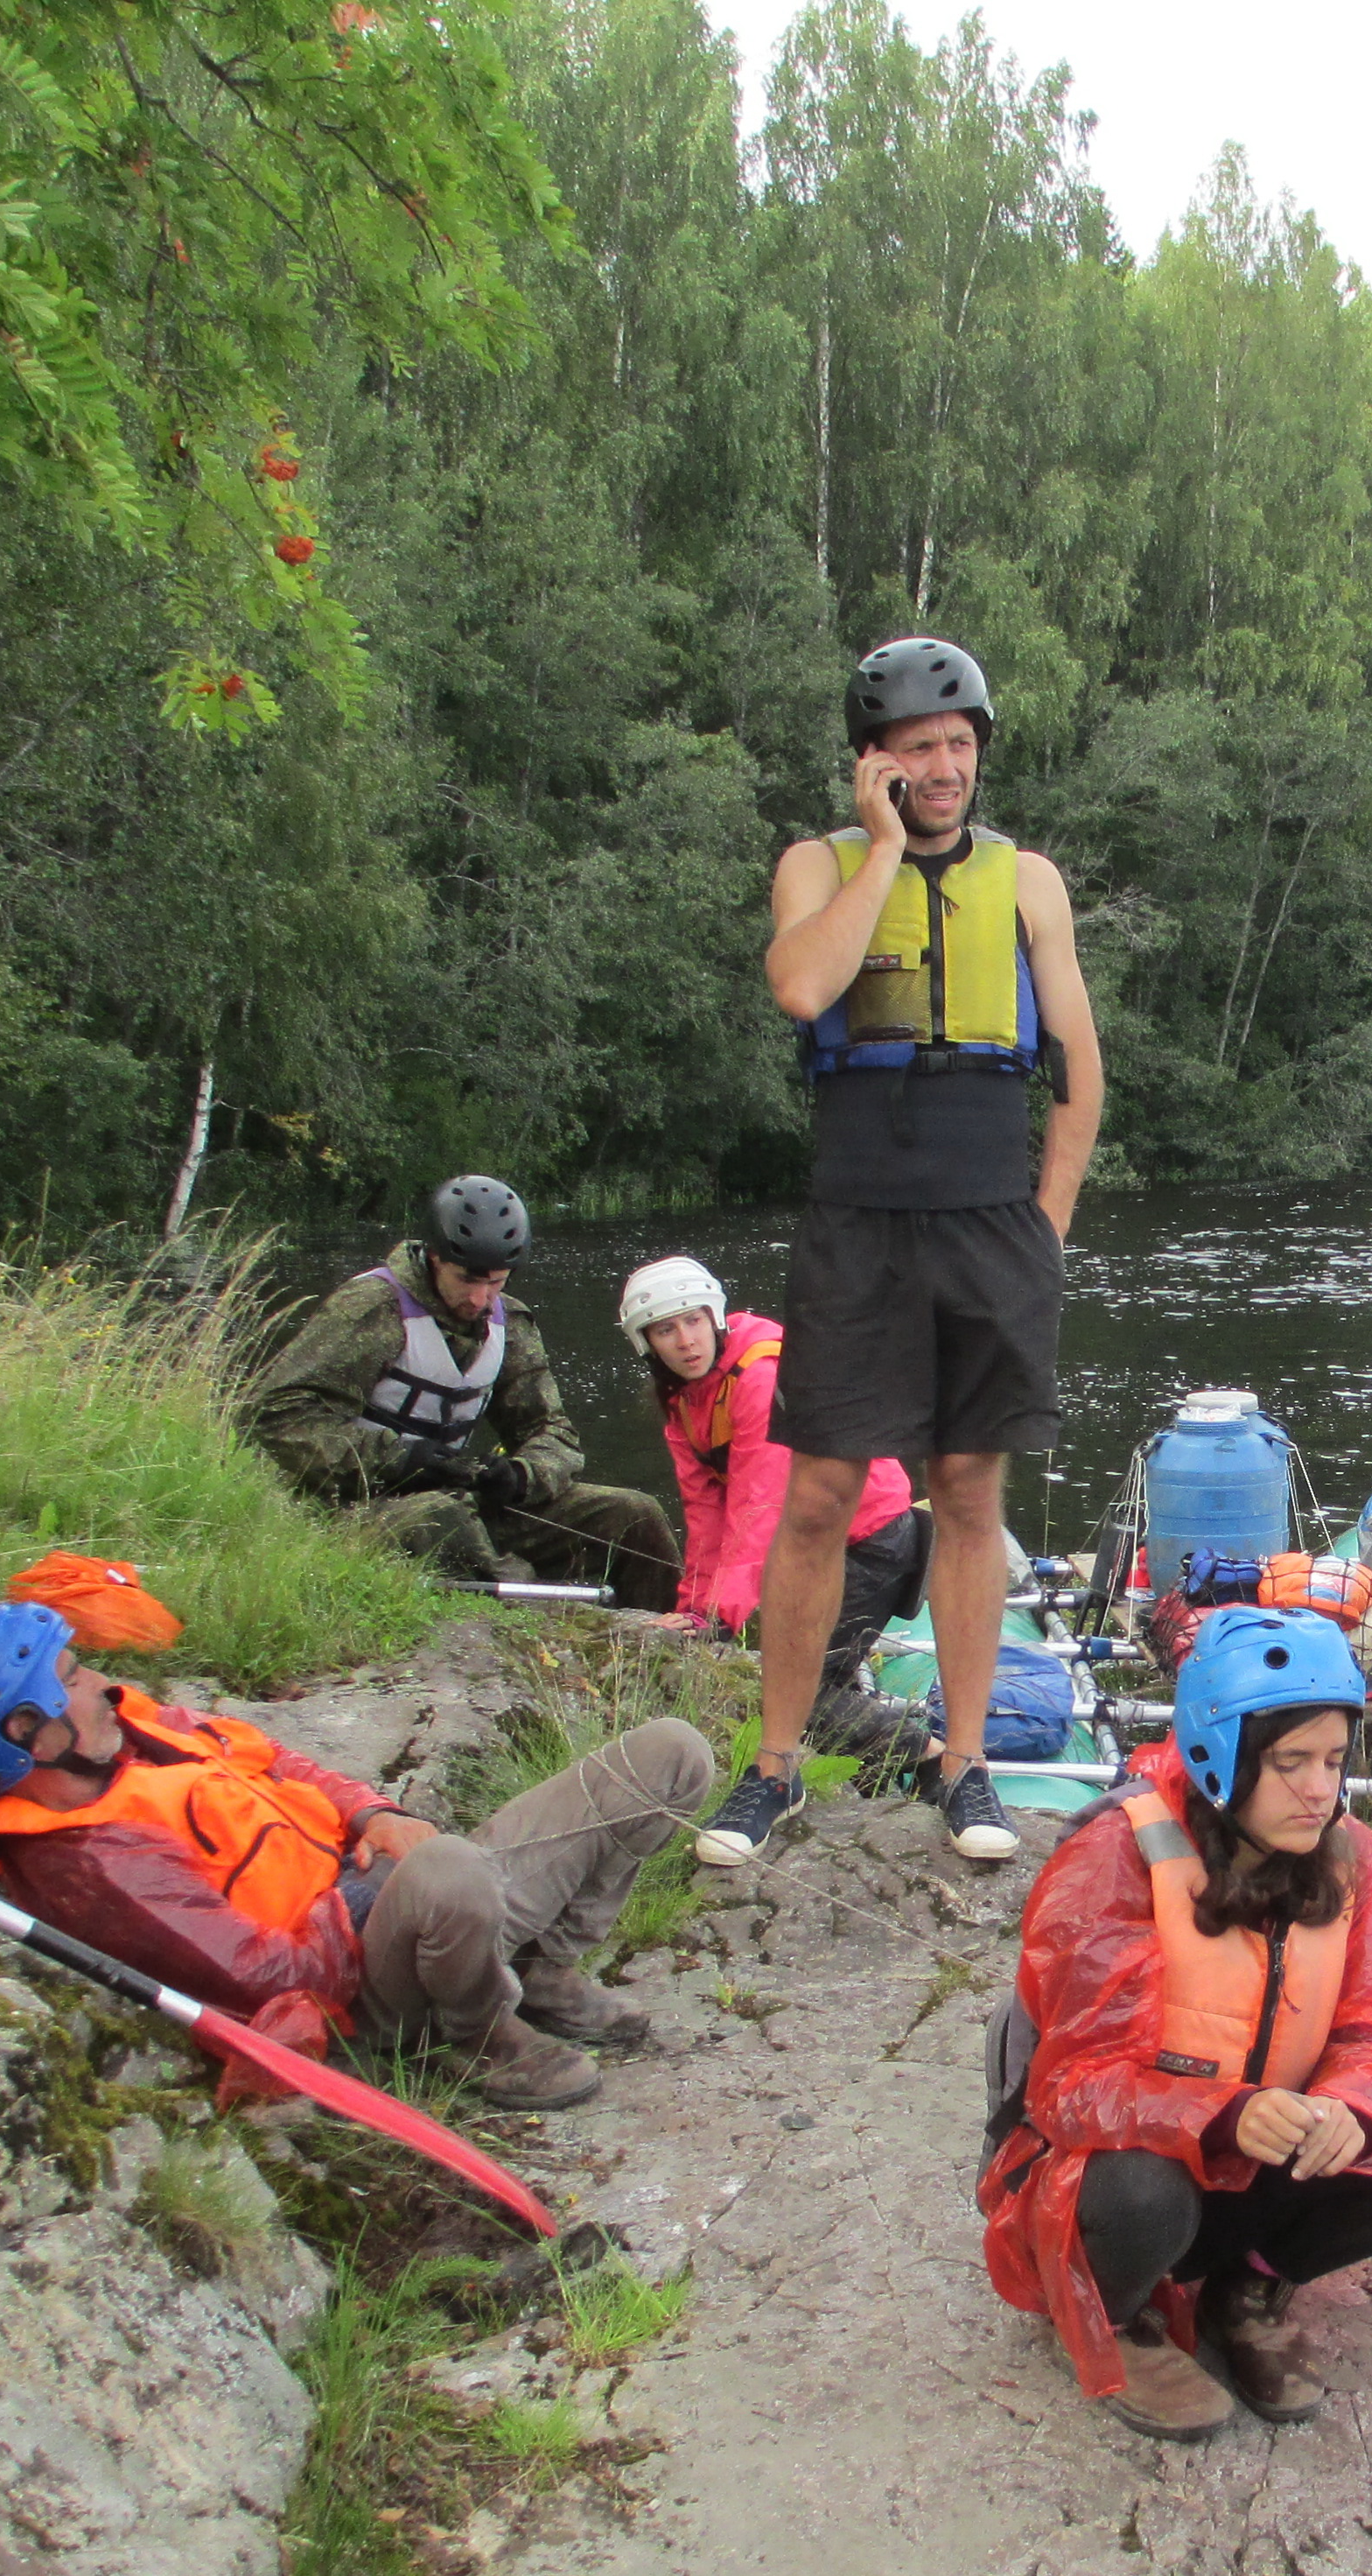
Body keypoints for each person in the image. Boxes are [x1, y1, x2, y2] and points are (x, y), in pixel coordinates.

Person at [711, 636, 1103, 1871]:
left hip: (991, 1222)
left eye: (960, 746)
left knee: (971, 1494)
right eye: (919, 750)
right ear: (875, 762)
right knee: (821, 1495)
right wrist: (881, 850)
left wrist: (1046, 1228)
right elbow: (799, 986)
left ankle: (965, 1762)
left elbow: (1080, 1076)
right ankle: (771, 1768)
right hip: (860, 1223)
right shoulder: (817, 865)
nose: (945, 769)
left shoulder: (1028, 882)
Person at [976, 1608, 1372, 2442]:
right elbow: (1073, 2091)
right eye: (1289, 1762)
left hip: (1251, 2168)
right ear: (1219, 1754)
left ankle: (1248, 2284)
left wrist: (1348, 2104)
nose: (1318, 1789)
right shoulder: (1115, 1859)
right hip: (1129, 2177)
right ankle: (1114, 2316)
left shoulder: (1355, 1857)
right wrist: (1220, 2115)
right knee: (1143, 2193)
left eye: (1334, 1760)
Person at [0, 1602, 711, 2110]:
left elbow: (276, 1761)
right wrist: (381, 1890)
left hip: (418, 1907)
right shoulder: (91, 1861)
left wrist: (373, 1812)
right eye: (73, 1678)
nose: (104, 1684)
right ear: (24, 1735)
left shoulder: (134, 1736)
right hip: (366, 1986)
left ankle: (542, 1971)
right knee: (450, 1873)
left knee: (670, 1755)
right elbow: (267, 1980)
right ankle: (476, 2037)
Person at [253, 1175, 678, 1604]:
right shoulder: (372, 1308)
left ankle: (680, 1637)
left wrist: (520, 1476)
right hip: (354, 1506)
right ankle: (521, 1610)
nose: (481, 1298)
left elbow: (554, 1434)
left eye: (496, 1282)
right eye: (468, 1280)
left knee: (633, 1515)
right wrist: (399, 1458)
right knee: (441, 1520)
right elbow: (279, 1417)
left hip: (458, 1499)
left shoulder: (509, 1323)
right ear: (435, 1258)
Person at [618, 1252, 934, 1768]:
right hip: (815, 1542)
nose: (686, 1341)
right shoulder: (684, 1400)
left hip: (870, 1542)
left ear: (713, 1317)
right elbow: (707, 1515)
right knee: (787, 1678)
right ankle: (859, 1761)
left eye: (694, 1320)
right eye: (665, 1330)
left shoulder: (758, 1377)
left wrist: (723, 1617)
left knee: (796, 1691)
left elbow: (759, 1507)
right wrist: (696, 1609)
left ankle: (928, 1759)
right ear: (646, 1343)